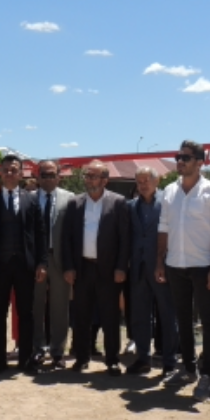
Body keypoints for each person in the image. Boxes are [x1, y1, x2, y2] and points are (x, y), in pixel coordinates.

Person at [155, 140, 210, 402]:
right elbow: (163, 227)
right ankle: (188, 368)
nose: (180, 161)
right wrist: (160, 262)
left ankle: (207, 374)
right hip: (176, 264)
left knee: (208, 322)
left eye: (185, 157)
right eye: (178, 156)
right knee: (183, 319)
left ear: (200, 162)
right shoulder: (169, 191)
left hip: (205, 267)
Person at [0, 154, 48, 374]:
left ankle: (25, 360)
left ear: (21, 172)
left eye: (13, 170)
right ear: (1, 173)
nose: (9, 173)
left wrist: (42, 262)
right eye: (5, 170)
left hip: (25, 265)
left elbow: (40, 234)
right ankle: (0, 360)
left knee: (26, 313)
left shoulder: (32, 200)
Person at [61, 161, 130, 375]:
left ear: (105, 180)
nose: (89, 180)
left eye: (94, 176)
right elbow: (67, 238)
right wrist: (69, 267)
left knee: (110, 316)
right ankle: (81, 358)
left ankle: (112, 360)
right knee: (81, 316)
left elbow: (125, 239)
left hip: (109, 270)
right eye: (87, 176)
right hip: (82, 268)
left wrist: (121, 267)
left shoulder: (118, 203)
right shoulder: (75, 203)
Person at [127, 167, 179, 376]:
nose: (142, 185)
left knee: (167, 315)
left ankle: (169, 362)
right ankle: (142, 358)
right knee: (140, 316)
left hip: (162, 268)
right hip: (138, 268)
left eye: (146, 180)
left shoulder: (168, 204)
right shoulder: (130, 206)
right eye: (139, 181)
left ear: (156, 182)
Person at [32, 159, 74, 370]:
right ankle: (37, 349)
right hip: (35, 261)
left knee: (60, 308)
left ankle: (58, 352)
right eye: (44, 174)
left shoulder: (70, 199)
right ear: (37, 177)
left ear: (59, 176)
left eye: (52, 174)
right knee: (35, 307)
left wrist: (71, 265)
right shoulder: (28, 199)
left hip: (60, 260)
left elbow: (74, 234)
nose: (48, 178)